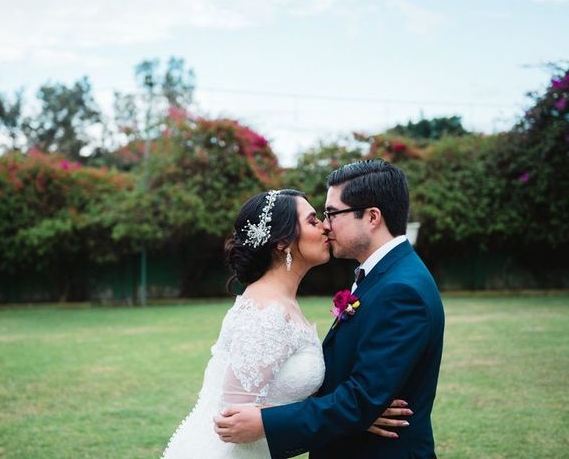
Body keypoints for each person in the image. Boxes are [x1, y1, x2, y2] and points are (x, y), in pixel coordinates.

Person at [214, 160, 445, 458]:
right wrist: (362, 415)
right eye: (320, 217)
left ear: (372, 217)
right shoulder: (383, 276)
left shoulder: (400, 290)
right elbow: (359, 395)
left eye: (332, 213)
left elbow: (361, 399)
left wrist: (268, 421)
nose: (326, 225)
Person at [162, 188, 410, 459]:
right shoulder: (265, 313)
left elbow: (276, 402)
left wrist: (352, 414)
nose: (326, 227)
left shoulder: (282, 303)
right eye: (313, 220)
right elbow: (233, 420)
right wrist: (347, 421)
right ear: (282, 242)